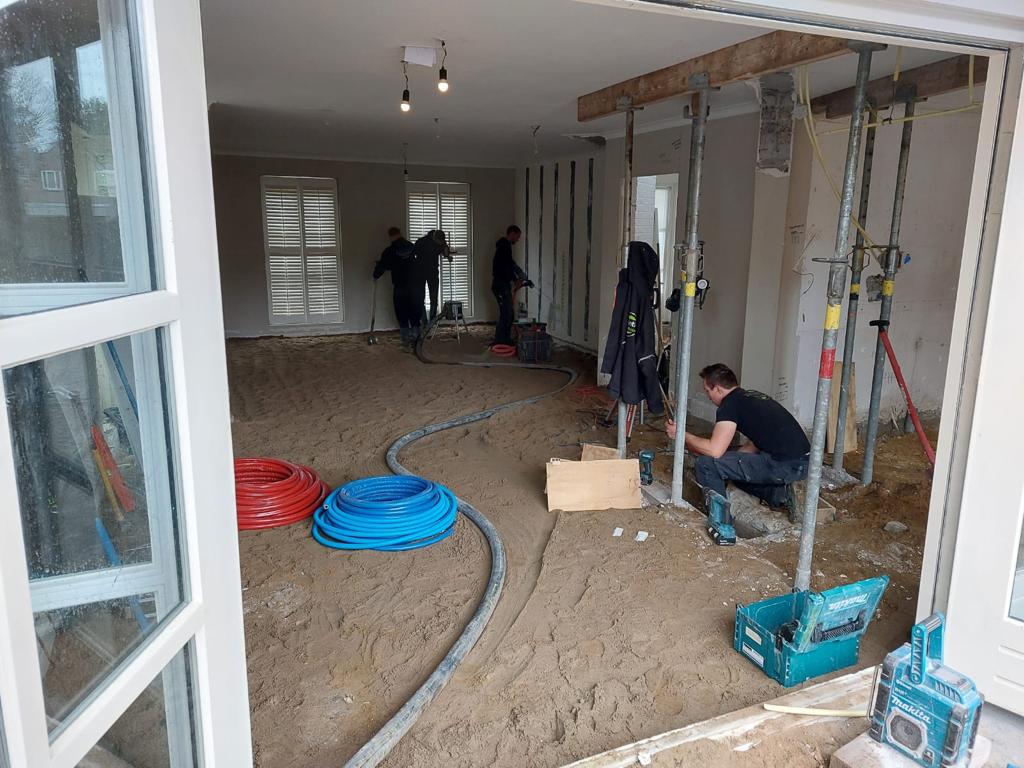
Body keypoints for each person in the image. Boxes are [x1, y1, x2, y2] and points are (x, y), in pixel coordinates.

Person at [667, 363, 809, 508]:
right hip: (804, 463)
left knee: (706, 464)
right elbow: (754, 444)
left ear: (718, 389)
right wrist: (730, 462)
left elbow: (714, 450)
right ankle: (780, 495)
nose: (708, 396)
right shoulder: (751, 396)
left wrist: (681, 434)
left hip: (783, 465)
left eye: (708, 391)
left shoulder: (729, 405)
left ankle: (720, 516)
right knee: (731, 467)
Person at [373, 227, 421, 346]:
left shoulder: (389, 251)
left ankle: (406, 340)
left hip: (400, 286)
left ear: (390, 236)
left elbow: (383, 266)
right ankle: (416, 339)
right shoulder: (412, 247)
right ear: (400, 234)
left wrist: (375, 274)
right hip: (415, 285)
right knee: (415, 310)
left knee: (401, 312)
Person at [491, 225, 532, 346]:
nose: (517, 240)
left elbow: (510, 264)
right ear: (512, 234)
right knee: (507, 313)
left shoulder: (504, 246)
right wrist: (515, 279)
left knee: (508, 313)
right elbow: (505, 267)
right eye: (517, 237)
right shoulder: (505, 246)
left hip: (501, 285)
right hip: (500, 285)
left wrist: (520, 277)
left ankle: (503, 339)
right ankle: (501, 340)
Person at [414, 229, 451, 323]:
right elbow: (413, 254)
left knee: (434, 298)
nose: (441, 244)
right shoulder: (421, 242)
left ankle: (432, 321)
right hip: (420, 272)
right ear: (434, 238)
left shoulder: (441, 241)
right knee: (420, 297)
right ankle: (424, 321)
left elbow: (445, 252)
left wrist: (447, 255)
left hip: (433, 272)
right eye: (439, 242)